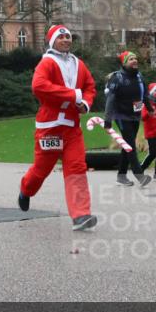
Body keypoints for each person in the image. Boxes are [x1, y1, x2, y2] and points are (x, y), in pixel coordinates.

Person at [17, 25, 98, 230]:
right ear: (52, 41)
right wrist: (73, 96)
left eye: (68, 37)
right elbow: (39, 86)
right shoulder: (47, 62)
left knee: (77, 168)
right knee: (41, 170)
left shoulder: (78, 64)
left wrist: (86, 103)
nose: (65, 40)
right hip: (50, 127)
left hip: (72, 128)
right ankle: (26, 190)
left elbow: (90, 86)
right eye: (61, 37)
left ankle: (81, 215)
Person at [103, 50, 153, 187]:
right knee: (130, 145)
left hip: (135, 116)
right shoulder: (117, 77)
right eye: (131, 59)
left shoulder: (139, 77)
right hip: (121, 115)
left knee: (127, 145)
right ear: (124, 63)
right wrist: (107, 119)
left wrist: (150, 109)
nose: (135, 61)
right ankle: (139, 175)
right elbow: (111, 99)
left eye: (135, 58)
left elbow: (145, 96)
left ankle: (121, 176)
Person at [139, 82, 156, 182]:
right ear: (151, 92)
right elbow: (142, 117)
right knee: (153, 153)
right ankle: (140, 169)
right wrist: (149, 113)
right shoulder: (147, 103)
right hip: (151, 133)